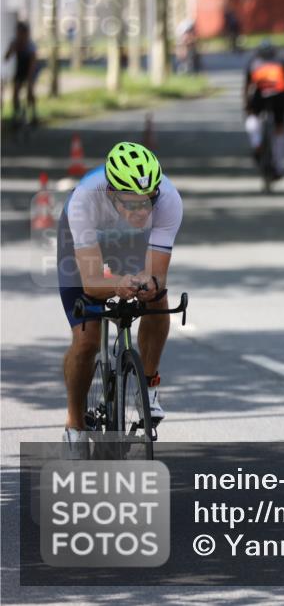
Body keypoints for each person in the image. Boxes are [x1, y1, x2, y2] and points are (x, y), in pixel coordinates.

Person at [58, 142, 183, 456]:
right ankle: (75, 425)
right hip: (85, 245)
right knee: (86, 341)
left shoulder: (168, 199)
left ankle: (149, 390)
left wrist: (146, 282)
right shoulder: (85, 200)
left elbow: (157, 274)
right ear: (112, 193)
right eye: (132, 203)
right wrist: (116, 285)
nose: (142, 211)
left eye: (148, 201)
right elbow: (90, 283)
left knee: (156, 299)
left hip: (132, 243)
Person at [244, 40, 284, 179]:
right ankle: (279, 166)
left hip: (260, 95)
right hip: (280, 96)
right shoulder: (282, 60)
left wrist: (246, 105)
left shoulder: (254, 62)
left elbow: (247, 87)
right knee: (280, 129)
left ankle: (256, 144)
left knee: (252, 118)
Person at [4, 21, 39, 126]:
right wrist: (11, 49)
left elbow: (33, 63)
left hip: (30, 70)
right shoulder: (14, 43)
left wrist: (30, 79)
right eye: (18, 33)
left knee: (30, 92)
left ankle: (33, 114)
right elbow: (6, 58)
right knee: (15, 92)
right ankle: (16, 114)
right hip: (20, 70)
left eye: (22, 33)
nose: (20, 35)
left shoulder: (30, 45)